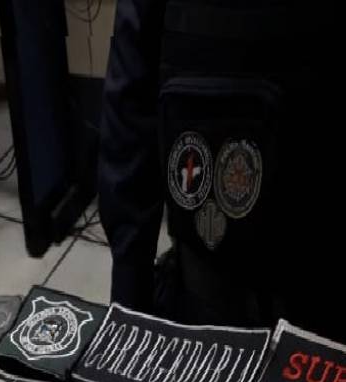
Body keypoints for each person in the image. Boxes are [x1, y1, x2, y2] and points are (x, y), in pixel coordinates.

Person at [98, 0, 342, 340]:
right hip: (207, 296)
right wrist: (128, 307)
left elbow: (127, 122)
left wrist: (129, 298)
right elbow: (129, 121)